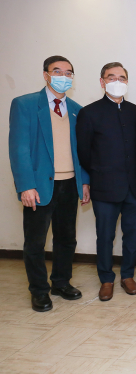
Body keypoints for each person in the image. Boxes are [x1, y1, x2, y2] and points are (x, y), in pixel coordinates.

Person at [8, 55, 90, 312]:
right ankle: (39, 291)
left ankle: (61, 283)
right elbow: (18, 148)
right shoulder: (25, 104)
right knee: (35, 242)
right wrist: (25, 186)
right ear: (45, 74)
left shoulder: (77, 109)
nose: (63, 77)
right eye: (57, 71)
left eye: (68, 73)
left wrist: (84, 182)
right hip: (39, 185)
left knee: (66, 239)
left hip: (69, 183)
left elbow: (83, 151)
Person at [76, 62, 136, 302]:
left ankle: (127, 275)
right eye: (112, 77)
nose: (118, 81)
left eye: (122, 77)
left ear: (127, 82)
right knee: (105, 235)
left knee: (132, 234)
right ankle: (106, 278)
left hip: (134, 188)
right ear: (102, 81)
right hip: (105, 187)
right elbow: (84, 152)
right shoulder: (90, 112)